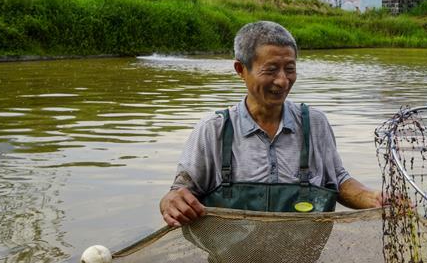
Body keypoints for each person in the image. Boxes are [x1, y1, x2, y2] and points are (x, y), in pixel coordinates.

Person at [160, 21, 381, 226]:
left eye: (290, 68)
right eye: (271, 69)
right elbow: (180, 191)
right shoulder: (213, 129)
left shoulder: (314, 123)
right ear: (241, 70)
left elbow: (339, 181)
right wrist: (171, 201)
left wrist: (372, 198)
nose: (283, 80)